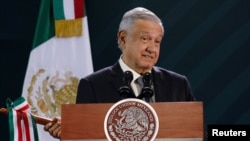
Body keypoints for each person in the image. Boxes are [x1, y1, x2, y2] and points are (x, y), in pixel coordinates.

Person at [44, 7, 197, 139]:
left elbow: (198, 134)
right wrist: (71, 134)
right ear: (123, 39)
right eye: (145, 39)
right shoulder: (93, 86)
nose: (152, 48)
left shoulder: (178, 84)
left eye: (157, 41)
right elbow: (85, 137)